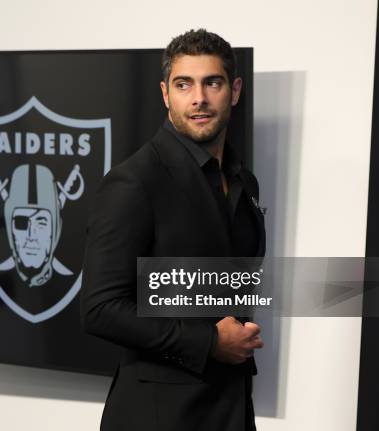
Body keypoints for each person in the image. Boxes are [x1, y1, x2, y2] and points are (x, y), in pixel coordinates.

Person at [80, 29, 266, 431]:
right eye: (184, 85)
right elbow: (100, 309)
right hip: (159, 415)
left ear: (234, 90)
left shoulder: (244, 182)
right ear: (166, 95)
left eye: (211, 82)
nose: (198, 98)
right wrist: (210, 342)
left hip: (231, 407)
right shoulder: (134, 182)